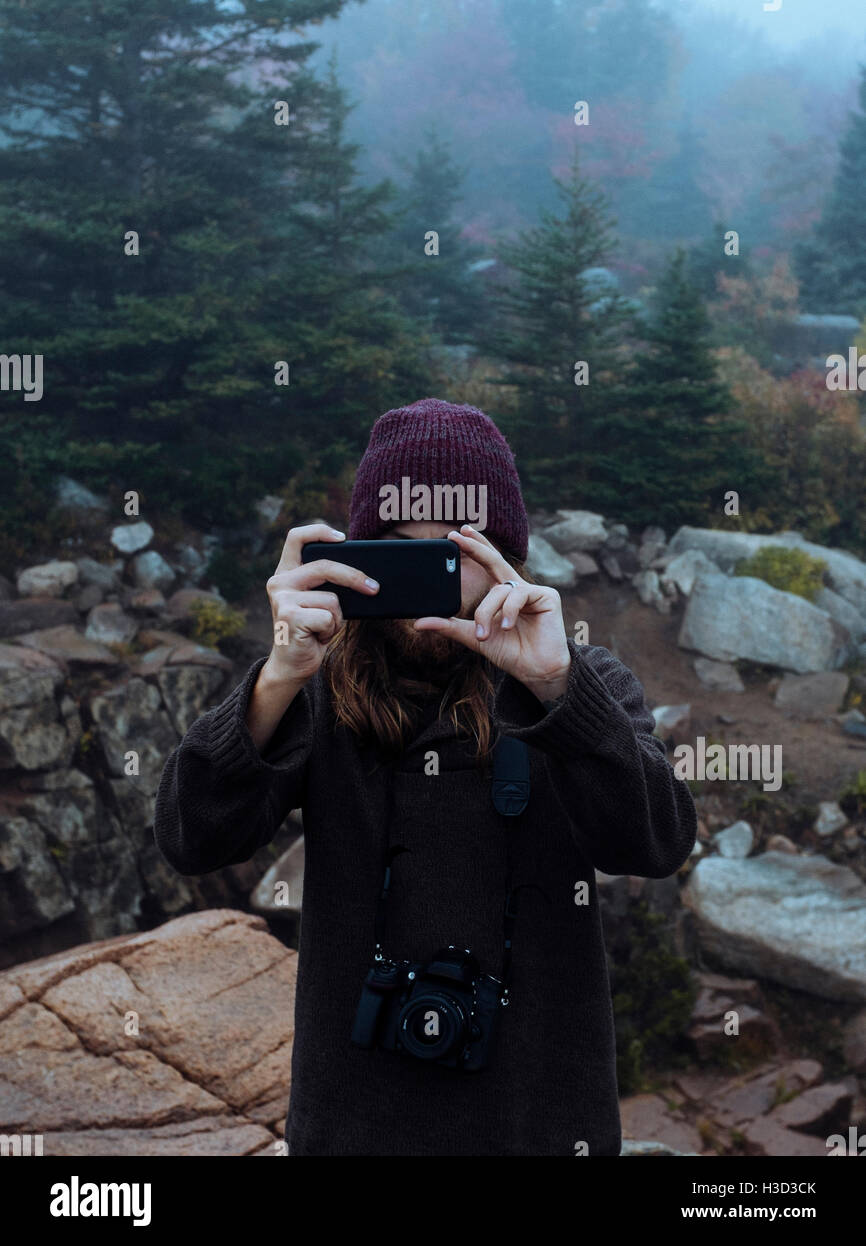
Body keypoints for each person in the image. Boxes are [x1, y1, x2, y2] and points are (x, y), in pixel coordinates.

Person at [154, 397, 697, 1156]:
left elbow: (658, 844)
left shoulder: (578, 683)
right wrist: (274, 679)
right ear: (358, 559)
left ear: (504, 553)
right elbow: (190, 837)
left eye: (452, 554)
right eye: (400, 555)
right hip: (355, 1129)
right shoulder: (315, 689)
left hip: (538, 1125)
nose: (428, 581)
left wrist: (559, 695)